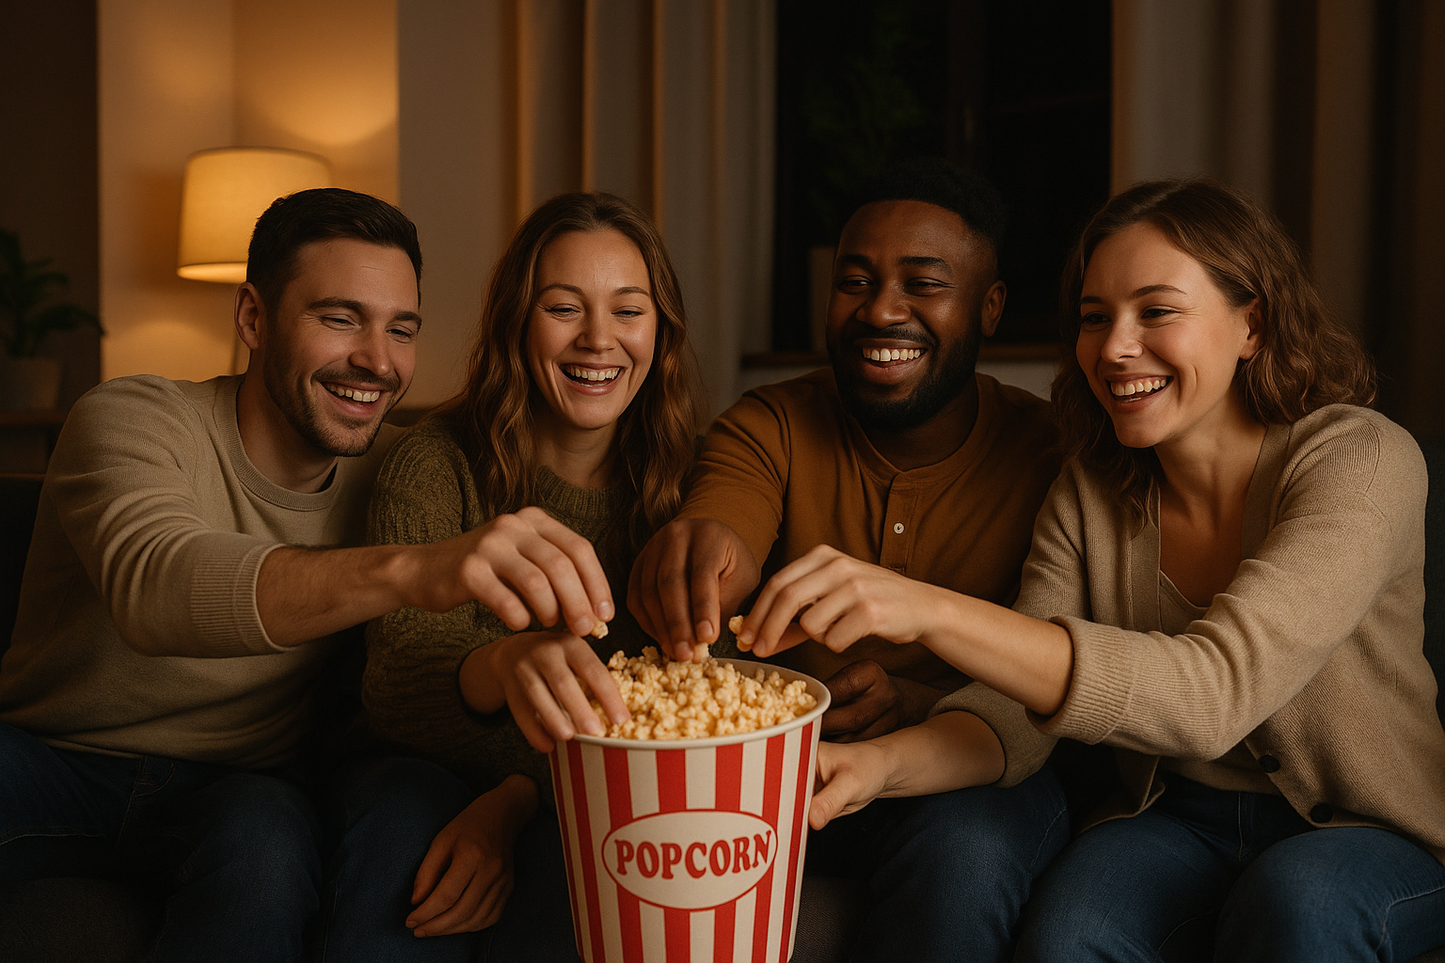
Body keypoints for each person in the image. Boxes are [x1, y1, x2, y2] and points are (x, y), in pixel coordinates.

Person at [739, 178, 1445, 962]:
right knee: (1066, 937)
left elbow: (1214, 695)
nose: (1113, 348)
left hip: (1370, 828)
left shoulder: (1360, 458)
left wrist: (926, 608)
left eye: (1156, 310)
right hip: (1177, 817)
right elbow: (1010, 713)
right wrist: (868, 768)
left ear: (1252, 323)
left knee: (1299, 902)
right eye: (1093, 317)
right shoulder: (1090, 489)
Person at [0, 187, 617, 962]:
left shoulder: (409, 471)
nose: (377, 360)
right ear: (253, 317)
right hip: (48, 755)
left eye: (401, 328)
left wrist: (514, 792)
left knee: (265, 851)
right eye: (339, 318)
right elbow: (156, 585)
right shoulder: (133, 417)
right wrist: (409, 569)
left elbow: (463, 667)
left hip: (236, 783)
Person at [627, 158, 1069, 963]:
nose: (881, 310)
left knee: (964, 852)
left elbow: (1060, 660)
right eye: (854, 280)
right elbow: (722, 523)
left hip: (967, 775)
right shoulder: (770, 422)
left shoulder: (1051, 454)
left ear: (989, 306)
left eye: (923, 284)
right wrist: (698, 556)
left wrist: (918, 699)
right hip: (788, 767)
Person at [349, 191, 716, 962]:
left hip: (608, 805)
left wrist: (515, 797)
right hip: (423, 778)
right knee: (397, 841)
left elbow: (697, 727)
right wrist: (505, 664)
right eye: (562, 307)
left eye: (627, 310)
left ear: (661, 330)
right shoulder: (431, 463)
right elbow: (398, 693)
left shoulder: (696, 487)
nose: (597, 340)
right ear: (518, 320)